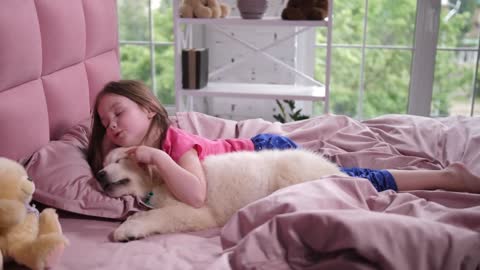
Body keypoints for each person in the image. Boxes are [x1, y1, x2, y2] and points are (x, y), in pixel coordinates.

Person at [87, 80, 480, 208]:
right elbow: (107, 168)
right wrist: (111, 147)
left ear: (150, 109)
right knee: (339, 171)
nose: (113, 125)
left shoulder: (176, 144)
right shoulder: (131, 157)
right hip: (256, 151)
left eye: (119, 112)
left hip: (262, 155)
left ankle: (448, 176)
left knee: (351, 180)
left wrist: (155, 155)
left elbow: (194, 194)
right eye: (106, 122)